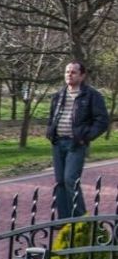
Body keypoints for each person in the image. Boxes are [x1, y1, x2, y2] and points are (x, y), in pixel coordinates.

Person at [46, 60, 111, 219]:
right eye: (67, 72)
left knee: (70, 179)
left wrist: (86, 137)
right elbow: (52, 117)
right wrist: (50, 132)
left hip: (76, 144)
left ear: (82, 76)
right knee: (60, 182)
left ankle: (81, 220)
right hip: (58, 142)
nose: (69, 75)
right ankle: (63, 221)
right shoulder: (58, 95)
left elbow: (102, 121)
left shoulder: (91, 96)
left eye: (73, 72)